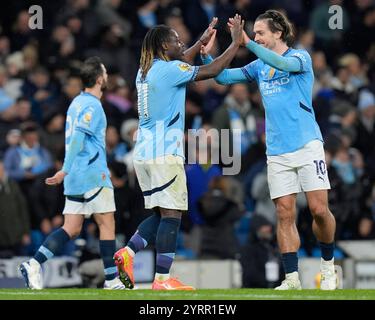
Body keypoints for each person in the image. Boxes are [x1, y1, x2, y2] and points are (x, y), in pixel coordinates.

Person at [201, 10, 337, 290]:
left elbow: (280, 64)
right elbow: (223, 79)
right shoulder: (259, 67)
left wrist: (247, 43)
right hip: (276, 150)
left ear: (278, 33)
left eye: (261, 32)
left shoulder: (299, 58)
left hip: (307, 144)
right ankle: (291, 278)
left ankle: (327, 266)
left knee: (319, 210)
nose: (258, 37)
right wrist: (206, 56)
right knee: (284, 213)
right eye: (255, 33)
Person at [113, 15, 244, 290]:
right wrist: (235, 44)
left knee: (162, 214)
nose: (180, 42)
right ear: (163, 46)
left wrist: (200, 41)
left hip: (145, 154)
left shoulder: (145, 70)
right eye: (174, 39)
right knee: (172, 216)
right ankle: (162, 279)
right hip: (164, 152)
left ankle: (128, 253)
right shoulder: (169, 71)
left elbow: (183, 56)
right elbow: (213, 71)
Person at [19, 56, 125, 290]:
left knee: (72, 228)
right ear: (99, 79)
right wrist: (64, 170)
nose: (107, 76)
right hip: (92, 173)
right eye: (105, 73)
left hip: (76, 178)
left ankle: (34, 264)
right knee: (107, 223)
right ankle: (111, 279)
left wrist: (68, 172)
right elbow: (78, 136)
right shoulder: (92, 105)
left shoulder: (76, 102)